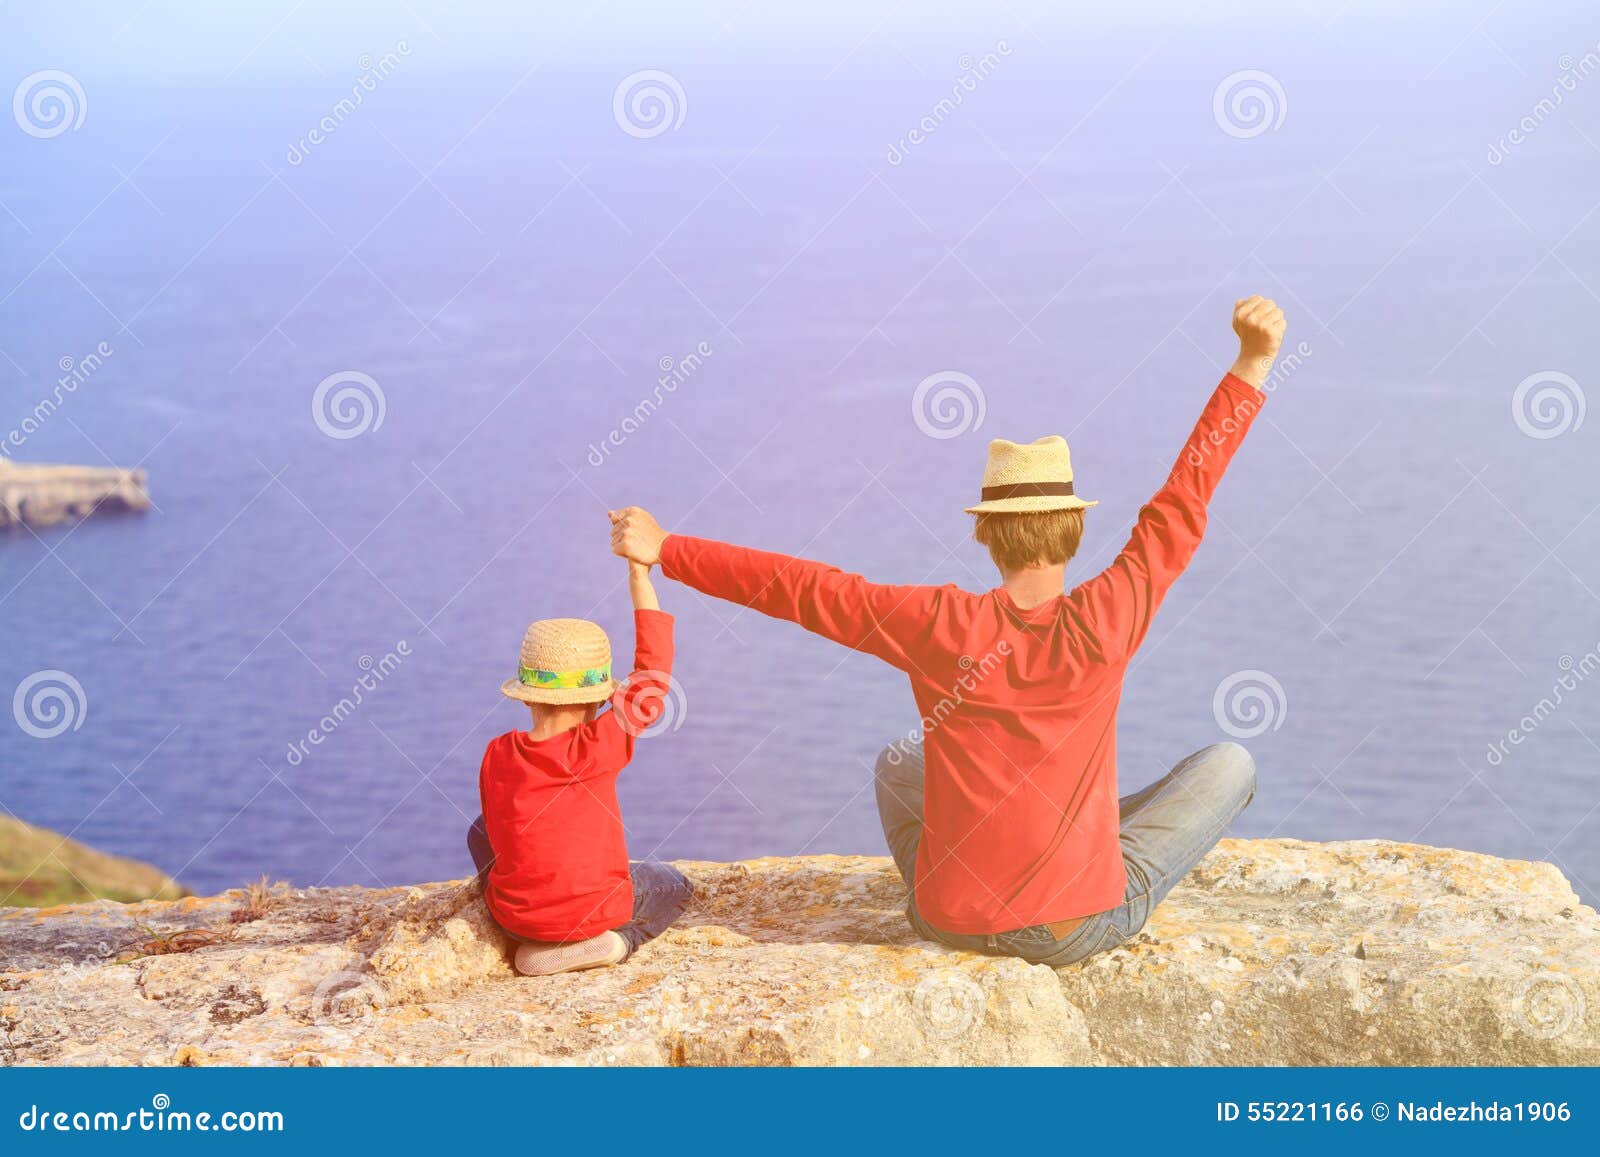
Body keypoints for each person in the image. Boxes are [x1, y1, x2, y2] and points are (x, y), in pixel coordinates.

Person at [609, 297, 1285, 967]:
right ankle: (1079, 839)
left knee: (900, 759)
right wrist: (1252, 362)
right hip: (1069, 930)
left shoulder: (937, 623)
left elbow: (801, 588)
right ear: (1075, 530)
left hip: (946, 917)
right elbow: (1183, 500)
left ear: (987, 533)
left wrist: (669, 547)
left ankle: (1043, 845)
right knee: (1231, 764)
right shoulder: (1111, 613)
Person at [467, 557, 691, 976]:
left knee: (481, 828)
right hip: (593, 914)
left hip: (515, 918)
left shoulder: (497, 753)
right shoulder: (598, 746)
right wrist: (639, 577)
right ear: (599, 699)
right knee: (673, 884)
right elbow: (653, 675)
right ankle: (614, 943)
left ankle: (528, 937)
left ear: (528, 695)